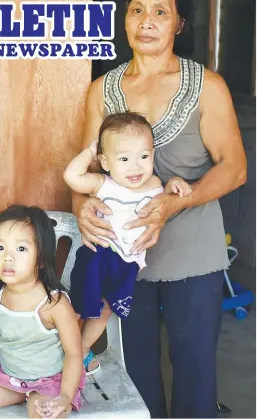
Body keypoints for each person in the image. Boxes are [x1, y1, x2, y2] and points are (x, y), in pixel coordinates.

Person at [71, 0, 247, 418]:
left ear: (179, 23)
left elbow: (235, 168)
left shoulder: (208, 85)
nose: (147, 21)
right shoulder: (101, 91)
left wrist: (175, 202)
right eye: (136, 10)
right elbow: (89, 170)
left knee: (194, 370)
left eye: (160, 11)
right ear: (124, 19)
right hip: (125, 256)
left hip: (192, 255)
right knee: (135, 370)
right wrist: (82, 208)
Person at [64, 112, 190, 376]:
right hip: (99, 255)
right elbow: (72, 177)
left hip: (127, 263)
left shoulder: (155, 184)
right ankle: (65, 350)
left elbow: (168, 197)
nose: (135, 168)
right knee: (80, 306)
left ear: (153, 154)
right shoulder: (103, 185)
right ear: (106, 162)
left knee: (106, 309)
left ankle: (82, 351)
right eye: (123, 159)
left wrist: (176, 184)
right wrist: (89, 152)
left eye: (144, 157)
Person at [0, 205, 85, 419]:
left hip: (50, 380)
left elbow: (74, 354)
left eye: (21, 249)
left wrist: (65, 396)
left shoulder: (54, 304)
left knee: (44, 412)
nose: (7, 257)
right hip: (9, 376)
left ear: (41, 259)